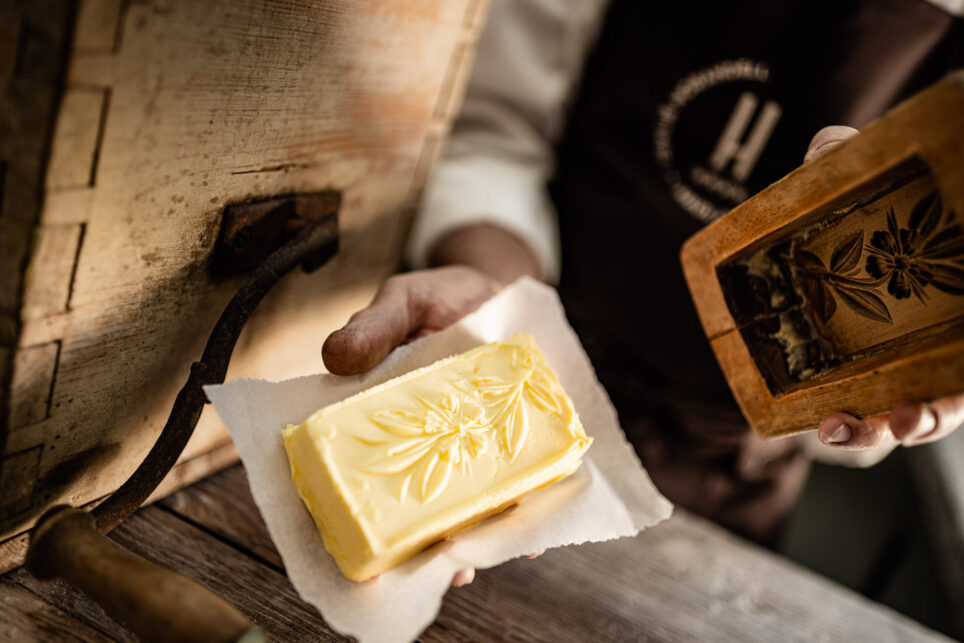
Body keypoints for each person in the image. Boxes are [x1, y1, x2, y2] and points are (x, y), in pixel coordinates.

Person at [323, 0, 964, 585]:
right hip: (519, 378)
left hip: (722, 491)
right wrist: (501, 294)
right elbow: (497, 131)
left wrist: (886, 377)